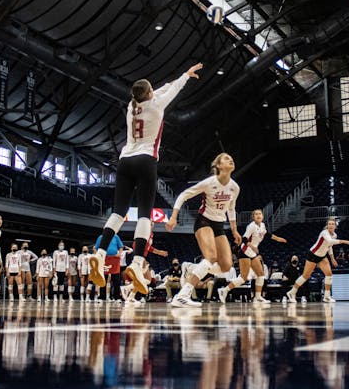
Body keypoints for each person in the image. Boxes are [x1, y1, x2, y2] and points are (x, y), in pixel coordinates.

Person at [89, 63, 203, 296]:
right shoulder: (156, 105)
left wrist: (176, 79)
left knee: (118, 212)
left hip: (125, 160)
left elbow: (159, 90)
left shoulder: (132, 106)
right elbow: (170, 91)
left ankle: (99, 254)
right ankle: (137, 264)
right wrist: (185, 76)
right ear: (150, 93)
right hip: (145, 160)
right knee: (144, 214)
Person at [166, 153, 241, 307]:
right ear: (218, 166)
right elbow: (183, 195)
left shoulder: (235, 187)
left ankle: (193, 268)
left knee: (226, 266)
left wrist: (234, 230)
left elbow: (231, 208)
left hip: (219, 225)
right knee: (211, 257)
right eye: (226, 158)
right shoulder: (209, 183)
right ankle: (183, 295)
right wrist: (173, 217)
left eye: (231, 158)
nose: (230, 159)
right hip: (204, 221)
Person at [218, 209, 286, 304]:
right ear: (253, 217)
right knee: (243, 278)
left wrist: (279, 239)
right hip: (245, 252)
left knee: (261, 275)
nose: (258, 215)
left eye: (260, 214)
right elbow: (244, 239)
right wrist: (253, 247)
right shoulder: (251, 226)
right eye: (256, 214)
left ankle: (257, 297)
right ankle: (224, 290)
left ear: (262, 216)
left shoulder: (262, 226)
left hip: (253, 253)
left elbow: (267, 235)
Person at [286, 217, 349, 304]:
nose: (331, 225)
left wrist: (332, 258)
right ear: (327, 226)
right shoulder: (324, 233)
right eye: (329, 224)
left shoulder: (334, 235)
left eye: (332, 224)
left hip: (322, 257)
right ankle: (292, 292)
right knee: (305, 276)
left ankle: (327, 296)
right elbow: (330, 241)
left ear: (336, 226)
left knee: (329, 274)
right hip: (313, 255)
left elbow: (329, 246)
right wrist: (343, 241)